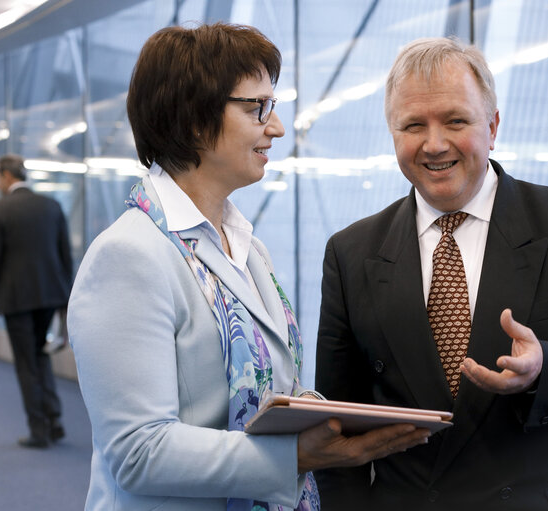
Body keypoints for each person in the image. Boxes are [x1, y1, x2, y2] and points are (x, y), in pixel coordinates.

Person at [67, 23, 429, 511]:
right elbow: (137, 451)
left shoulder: (246, 246)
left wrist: (324, 417)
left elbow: (271, 390)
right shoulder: (129, 256)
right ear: (194, 119)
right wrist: (294, 455)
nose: (275, 128)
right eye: (257, 108)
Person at [314, 37, 548, 510]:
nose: (435, 145)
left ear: (493, 126)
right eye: (413, 125)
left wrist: (546, 369)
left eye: (456, 121)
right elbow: (339, 428)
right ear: (392, 134)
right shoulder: (351, 253)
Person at [0, 154, 72, 448]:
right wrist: (65, 297)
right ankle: (55, 420)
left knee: (25, 363)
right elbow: (64, 256)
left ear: (7, 176)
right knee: (40, 354)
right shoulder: (52, 206)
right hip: (49, 296)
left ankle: (39, 430)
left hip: (16, 299)